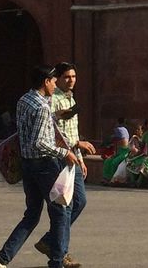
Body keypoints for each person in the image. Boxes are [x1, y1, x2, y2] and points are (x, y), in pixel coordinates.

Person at [0, 65, 79, 268]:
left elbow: (29, 129)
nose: (56, 85)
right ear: (46, 82)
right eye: (54, 81)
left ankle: (0, 260)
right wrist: (65, 152)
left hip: (27, 164)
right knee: (62, 210)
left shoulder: (24, 100)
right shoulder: (42, 107)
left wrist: (56, 117)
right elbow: (40, 142)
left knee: (32, 214)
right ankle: (57, 262)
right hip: (44, 165)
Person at [35, 62, 96, 267]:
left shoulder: (70, 98)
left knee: (77, 202)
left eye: (74, 76)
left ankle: (52, 242)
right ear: (58, 78)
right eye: (67, 76)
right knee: (66, 206)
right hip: (60, 158)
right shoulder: (53, 99)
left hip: (73, 157)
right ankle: (60, 254)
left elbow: (71, 130)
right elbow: (53, 132)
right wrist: (78, 145)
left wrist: (79, 156)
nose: (71, 80)